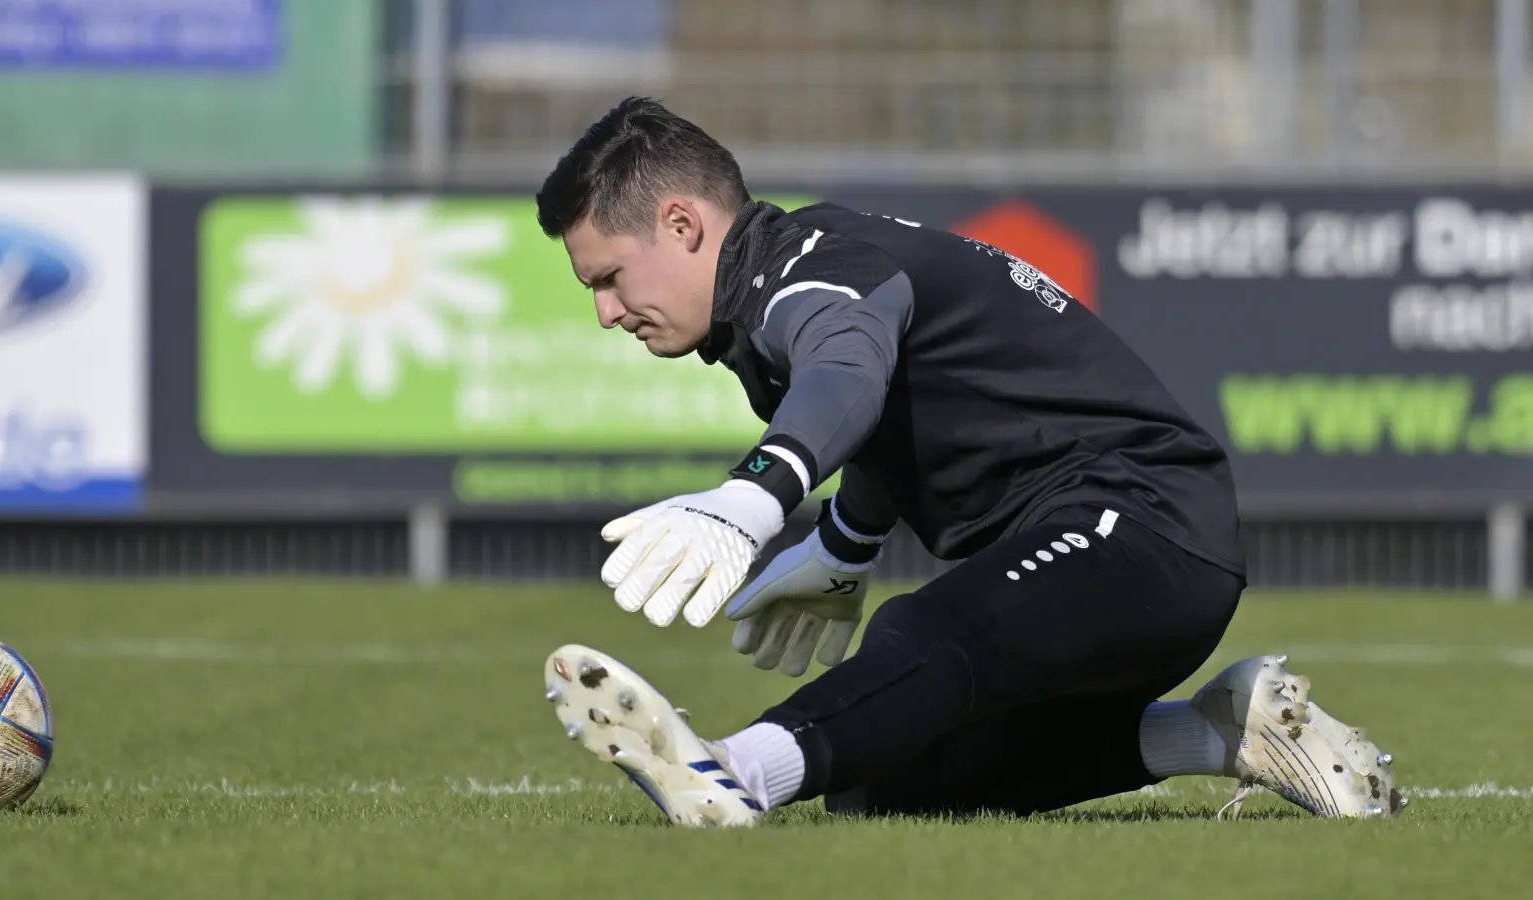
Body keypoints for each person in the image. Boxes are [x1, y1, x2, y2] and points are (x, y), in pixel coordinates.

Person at [533, 96, 1407, 826]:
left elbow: (846, 368)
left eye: (608, 278)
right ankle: (1217, 734)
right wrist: (841, 547)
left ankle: (736, 777)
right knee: (883, 785)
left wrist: (751, 501)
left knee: (923, 635)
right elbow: (882, 414)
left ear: (681, 223)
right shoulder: (775, 294)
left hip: (1145, 522)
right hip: (1128, 557)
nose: (607, 312)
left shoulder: (810, 270)